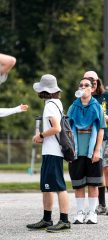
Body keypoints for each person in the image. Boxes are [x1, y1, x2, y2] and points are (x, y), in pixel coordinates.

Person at [26, 74, 70, 232]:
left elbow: (56, 128)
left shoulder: (50, 105)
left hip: (53, 152)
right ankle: (46, 219)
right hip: (50, 151)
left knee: (59, 186)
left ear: (44, 90)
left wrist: (41, 135)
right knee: (47, 187)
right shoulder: (56, 102)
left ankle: (64, 220)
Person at [67, 77, 105, 224]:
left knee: (93, 184)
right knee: (78, 185)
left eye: (86, 85)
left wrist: (96, 151)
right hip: (77, 152)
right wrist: (70, 150)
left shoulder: (97, 107)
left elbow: (101, 130)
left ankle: (91, 213)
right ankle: (80, 212)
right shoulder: (72, 107)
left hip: (93, 153)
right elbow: (67, 130)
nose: (83, 87)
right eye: (81, 85)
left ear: (92, 89)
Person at [83, 71, 108, 216]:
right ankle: (101, 204)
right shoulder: (85, 98)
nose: (92, 83)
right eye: (88, 80)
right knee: (97, 172)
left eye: (94, 80)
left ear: (98, 81)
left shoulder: (107, 96)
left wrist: (106, 118)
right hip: (92, 138)